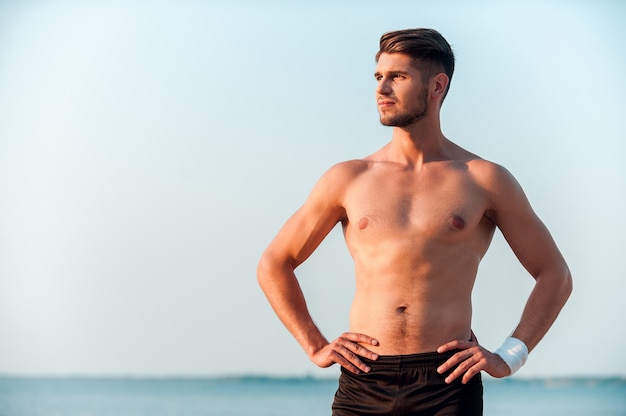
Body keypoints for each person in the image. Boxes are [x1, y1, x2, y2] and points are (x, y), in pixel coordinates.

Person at [257, 28, 572, 415]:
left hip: (447, 382)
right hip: (363, 379)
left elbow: (554, 273)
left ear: (437, 85)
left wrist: (509, 356)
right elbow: (274, 262)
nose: (382, 88)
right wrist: (315, 345)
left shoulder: (483, 179)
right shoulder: (348, 178)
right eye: (378, 77)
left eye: (398, 77)